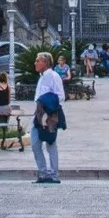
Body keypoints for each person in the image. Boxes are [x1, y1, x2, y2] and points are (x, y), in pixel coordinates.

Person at [31, 51, 66, 183]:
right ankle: (43, 172)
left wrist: (47, 103)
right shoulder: (41, 77)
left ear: (45, 62)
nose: (35, 63)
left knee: (50, 144)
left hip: (50, 114)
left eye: (38, 61)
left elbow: (61, 96)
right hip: (38, 113)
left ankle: (54, 174)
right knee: (35, 144)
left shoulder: (53, 76)